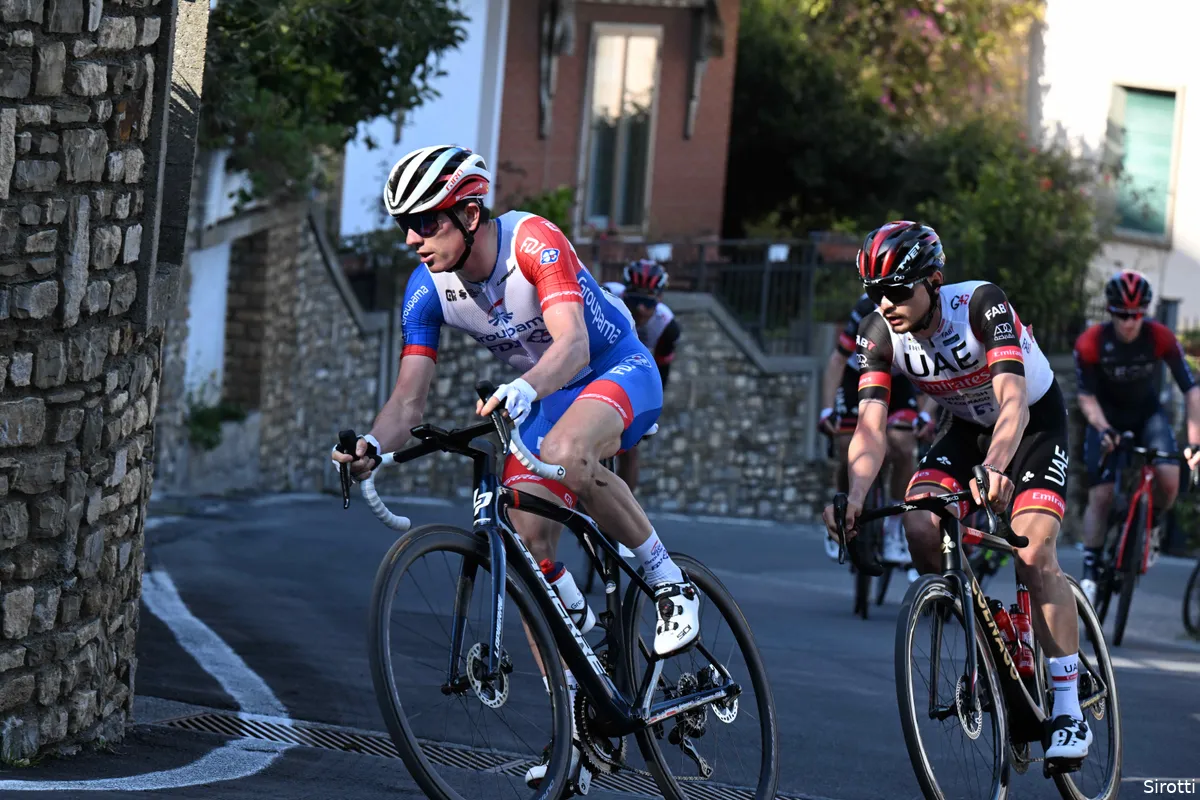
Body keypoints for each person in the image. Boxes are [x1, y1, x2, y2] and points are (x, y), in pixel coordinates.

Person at [329, 144, 700, 785]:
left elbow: (574, 342)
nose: (414, 238)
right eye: (405, 226)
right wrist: (371, 447)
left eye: (427, 222)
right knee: (527, 540)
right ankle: (581, 718)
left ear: (470, 214)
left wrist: (527, 387)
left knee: (564, 452)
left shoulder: (534, 241)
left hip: (616, 372)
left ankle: (670, 582)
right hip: (546, 395)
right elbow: (407, 400)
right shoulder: (427, 290)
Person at [821, 219, 1091, 762]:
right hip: (967, 429)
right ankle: (988, 630)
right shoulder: (878, 335)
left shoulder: (980, 305)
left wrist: (995, 467)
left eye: (898, 290)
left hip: (1033, 423)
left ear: (933, 280)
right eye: (875, 293)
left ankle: (1067, 705)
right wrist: (853, 497)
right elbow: (870, 427)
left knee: (1033, 550)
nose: (886, 303)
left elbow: (1012, 401)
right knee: (919, 522)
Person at [1073, 270, 1200, 606]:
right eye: (1122, 315)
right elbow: (1085, 397)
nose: (1129, 323)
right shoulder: (1091, 342)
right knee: (1100, 496)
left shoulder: (1160, 337)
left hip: (1147, 415)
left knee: (1170, 479)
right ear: (1111, 312)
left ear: (1145, 313)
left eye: (1136, 315)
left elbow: (1191, 391)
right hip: (1105, 418)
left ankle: (1152, 525)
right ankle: (1089, 569)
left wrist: (1194, 443)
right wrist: (1104, 429)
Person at [819, 292, 936, 566]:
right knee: (848, 445)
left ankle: (895, 527)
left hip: (898, 376)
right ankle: (842, 508)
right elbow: (837, 361)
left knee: (903, 445)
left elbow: (939, 370)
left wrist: (926, 415)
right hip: (857, 373)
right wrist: (826, 409)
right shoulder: (863, 309)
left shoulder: (924, 307)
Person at [602, 259, 681, 493]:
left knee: (631, 445)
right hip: (601, 360)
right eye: (635, 300)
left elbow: (661, 374)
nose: (641, 310)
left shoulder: (667, 327)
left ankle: (625, 509)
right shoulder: (605, 296)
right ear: (625, 293)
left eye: (648, 302)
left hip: (636, 372)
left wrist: (651, 412)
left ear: (660, 300)